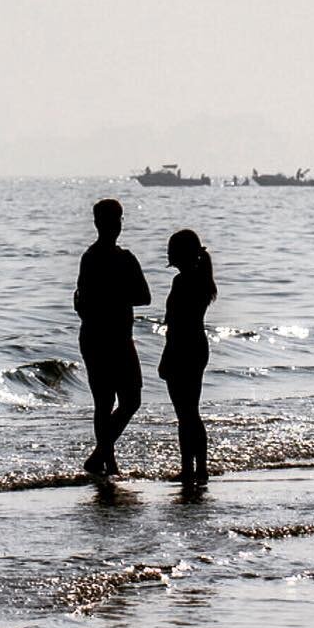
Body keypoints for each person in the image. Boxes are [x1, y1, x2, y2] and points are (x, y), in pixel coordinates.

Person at [73, 198, 150, 479]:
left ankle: (100, 455)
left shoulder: (125, 257)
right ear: (97, 223)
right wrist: (115, 295)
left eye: (117, 220)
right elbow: (83, 300)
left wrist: (111, 294)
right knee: (104, 402)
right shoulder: (91, 257)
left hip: (120, 337)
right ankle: (107, 461)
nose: (114, 225)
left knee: (131, 400)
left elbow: (145, 297)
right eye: (108, 220)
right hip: (98, 337)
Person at [159, 229, 217, 484]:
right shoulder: (203, 280)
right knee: (191, 411)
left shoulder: (182, 282)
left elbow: (175, 323)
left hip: (182, 347)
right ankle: (200, 468)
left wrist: (166, 356)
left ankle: (187, 469)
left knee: (185, 413)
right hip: (197, 345)